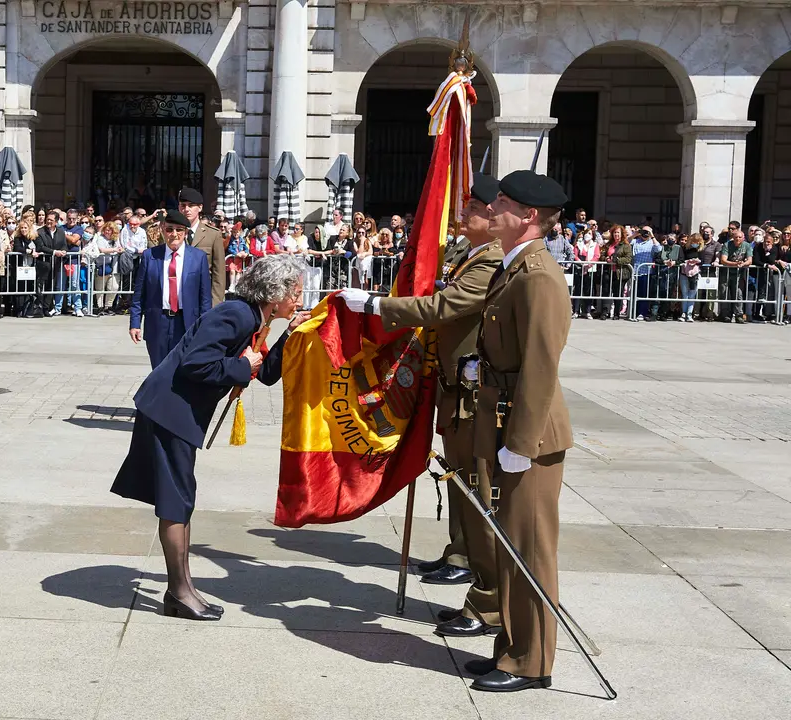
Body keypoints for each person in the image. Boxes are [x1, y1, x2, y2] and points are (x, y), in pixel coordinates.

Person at [341, 173, 505, 639]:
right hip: (455, 387)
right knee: (459, 480)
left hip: (475, 394)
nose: (464, 212)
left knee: (476, 490)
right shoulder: (468, 253)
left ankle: (483, 584)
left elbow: (442, 306)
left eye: (474, 208)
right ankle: (466, 560)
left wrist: (377, 304)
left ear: (493, 219)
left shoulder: (489, 261)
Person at [112, 254, 309, 619]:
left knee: (181, 499)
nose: (298, 298)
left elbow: (264, 373)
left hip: (178, 413)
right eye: (295, 292)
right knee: (177, 501)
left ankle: (182, 589)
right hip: (168, 410)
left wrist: (291, 332)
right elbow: (195, 363)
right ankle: (179, 592)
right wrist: (240, 366)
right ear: (275, 291)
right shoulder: (235, 314)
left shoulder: (255, 317)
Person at [463, 169, 574, 693]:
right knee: (511, 546)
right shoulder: (512, 268)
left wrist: (521, 445)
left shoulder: (539, 276)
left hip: (530, 434)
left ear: (528, 216)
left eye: (501, 202)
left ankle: (532, 662)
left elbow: (540, 366)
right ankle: (510, 648)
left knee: (530, 549)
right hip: (505, 422)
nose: (491, 209)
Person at [128, 209, 212, 368]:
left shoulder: (198, 257)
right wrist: (135, 323)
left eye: (179, 230)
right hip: (158, 322)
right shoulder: (150, 256)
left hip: (186, 323)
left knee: (183, 370)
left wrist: (205, 328)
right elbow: (139, 294)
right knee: (158, 371)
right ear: (162, 230)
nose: (174, 234)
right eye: (169, 229)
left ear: (186, 232)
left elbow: (205, 298)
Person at [177, 188, 227, 306]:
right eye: (183, 205)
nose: (186, 209)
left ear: (200, 208)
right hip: (176, 298)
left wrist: (215, 303)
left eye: (191, 205)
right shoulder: (171, 234)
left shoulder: (213, 235)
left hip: (202, 298)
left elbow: (218, 272)